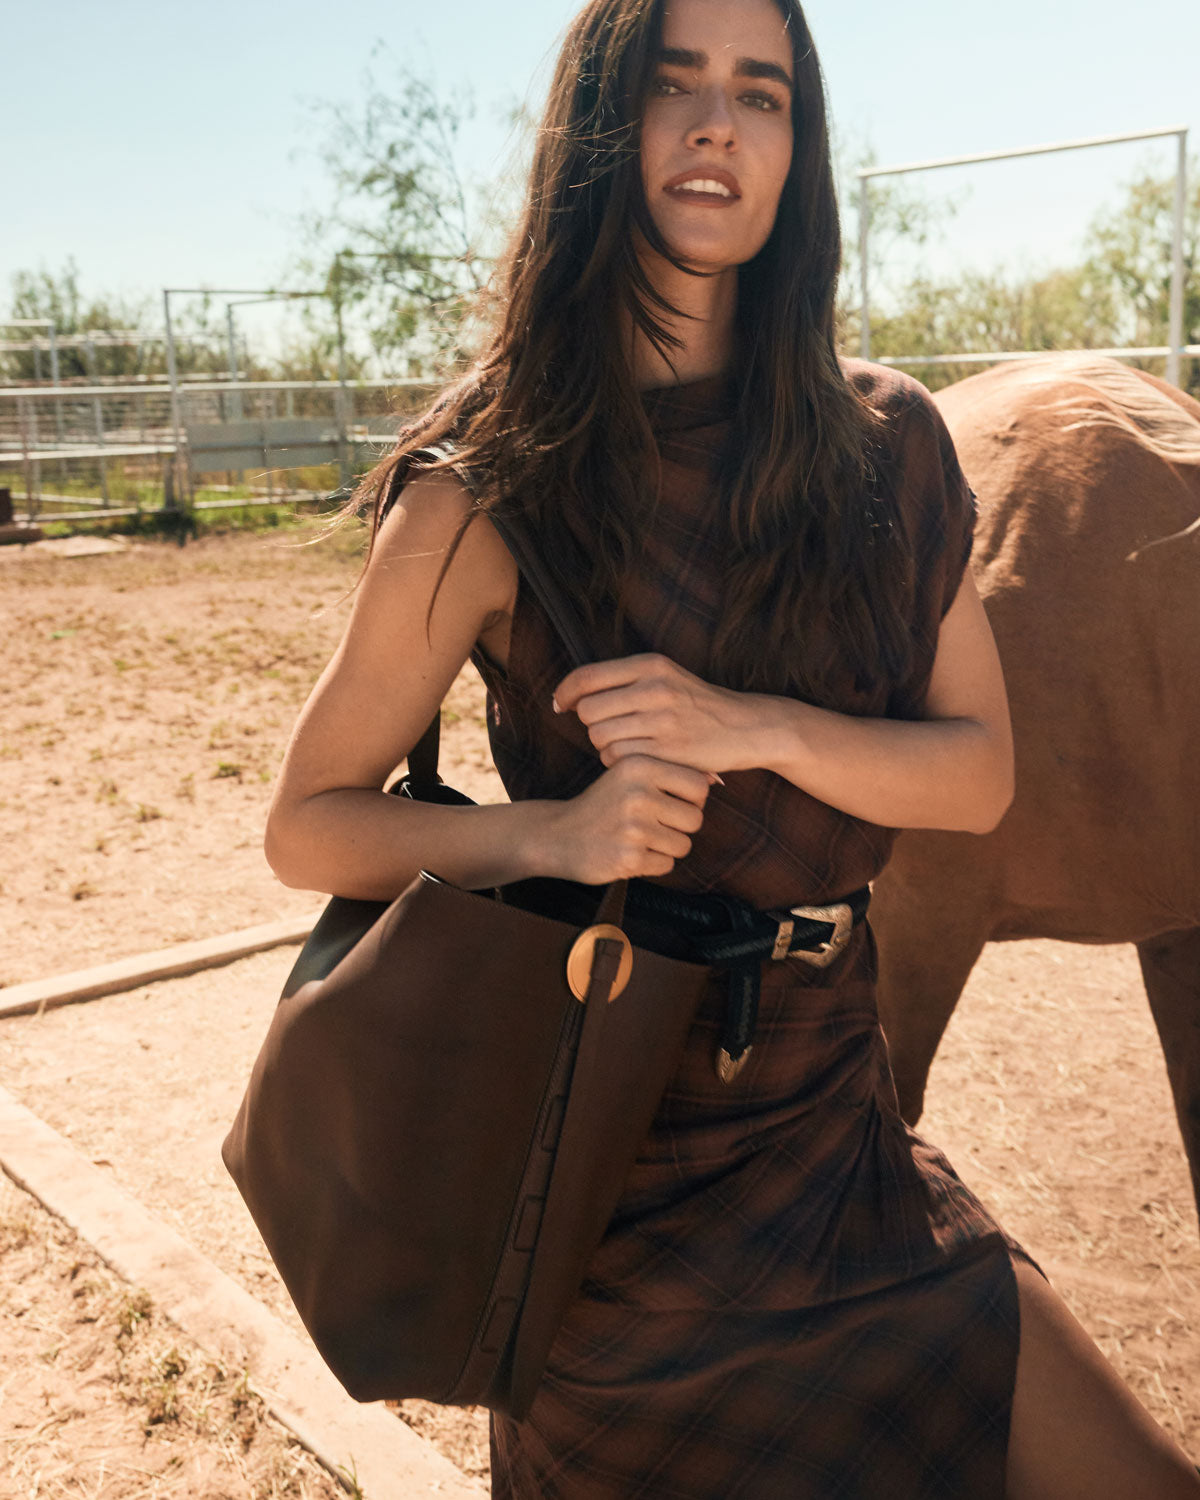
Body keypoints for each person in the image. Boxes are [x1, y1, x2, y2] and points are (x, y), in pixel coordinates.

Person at [263, 0, 1200, 1494]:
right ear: (601, 130)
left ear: (796, 146)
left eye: (760, 95)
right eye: (674, 85)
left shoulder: (887, 445)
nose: (717, 124)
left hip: (840, 1133)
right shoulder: (489, 486)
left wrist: (749, 725)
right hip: (611, 1172)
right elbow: (308, 822)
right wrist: (545, 840)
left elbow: (974, 772)